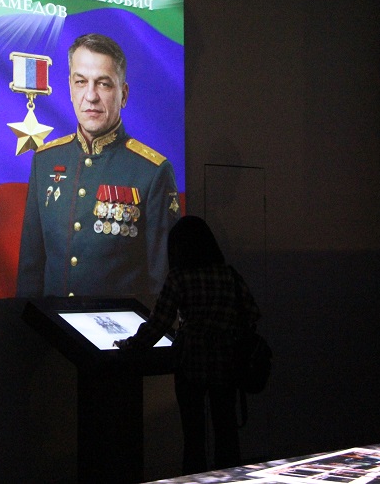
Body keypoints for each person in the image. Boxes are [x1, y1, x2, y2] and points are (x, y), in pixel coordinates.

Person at [16, 33, 180, 301]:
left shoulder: (152, 171)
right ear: (70, 88)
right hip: (52, 324)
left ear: (123, 94)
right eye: (81, 82)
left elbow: (163, 282)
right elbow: (30, 269)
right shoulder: (44, 161)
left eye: (103, 84)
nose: (90, 96)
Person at [114, 215, 261, 474]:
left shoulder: (179, 278)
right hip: (226, 364)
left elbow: (159, 323)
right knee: (226, 431)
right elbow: (251, 314)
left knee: (193, 437)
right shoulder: (229, 275)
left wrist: (132, 345)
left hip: (190, 364)